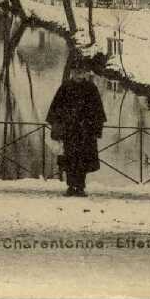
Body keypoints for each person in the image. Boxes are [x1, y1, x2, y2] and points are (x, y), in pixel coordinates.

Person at [46, 58, 106, 197]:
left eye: (81, 72)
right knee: (70, 159)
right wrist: (57, 127)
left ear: (85, 73)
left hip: (86, 131)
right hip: (70, 131)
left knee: (83, 159)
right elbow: (56, 108)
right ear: (72, 73)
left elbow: (98, 110)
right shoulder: (65, 87)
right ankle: (70, 186)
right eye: (76, 72)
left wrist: (97, 128)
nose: (79, 75)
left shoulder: (91, 88)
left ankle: (80, 186)